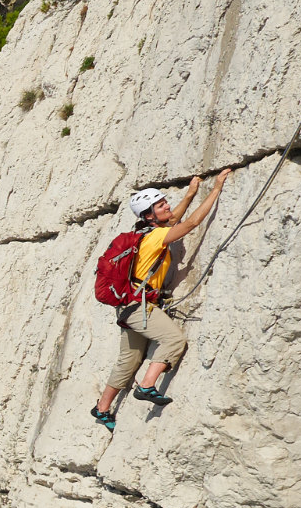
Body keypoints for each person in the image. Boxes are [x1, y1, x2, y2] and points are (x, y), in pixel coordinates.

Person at [92, 168, 230, 430]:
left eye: (165, 202)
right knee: (174, 339)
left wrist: (190, 193)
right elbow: (188, 224)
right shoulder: (155, 237)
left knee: (129, 359)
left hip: (128, 306)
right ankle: (146, 386)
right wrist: (215, 190)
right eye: (161, 205)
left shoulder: (147, 232)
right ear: (149, 215)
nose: (167, 207)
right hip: (140, 308)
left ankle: (102, 409)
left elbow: (174, 218)